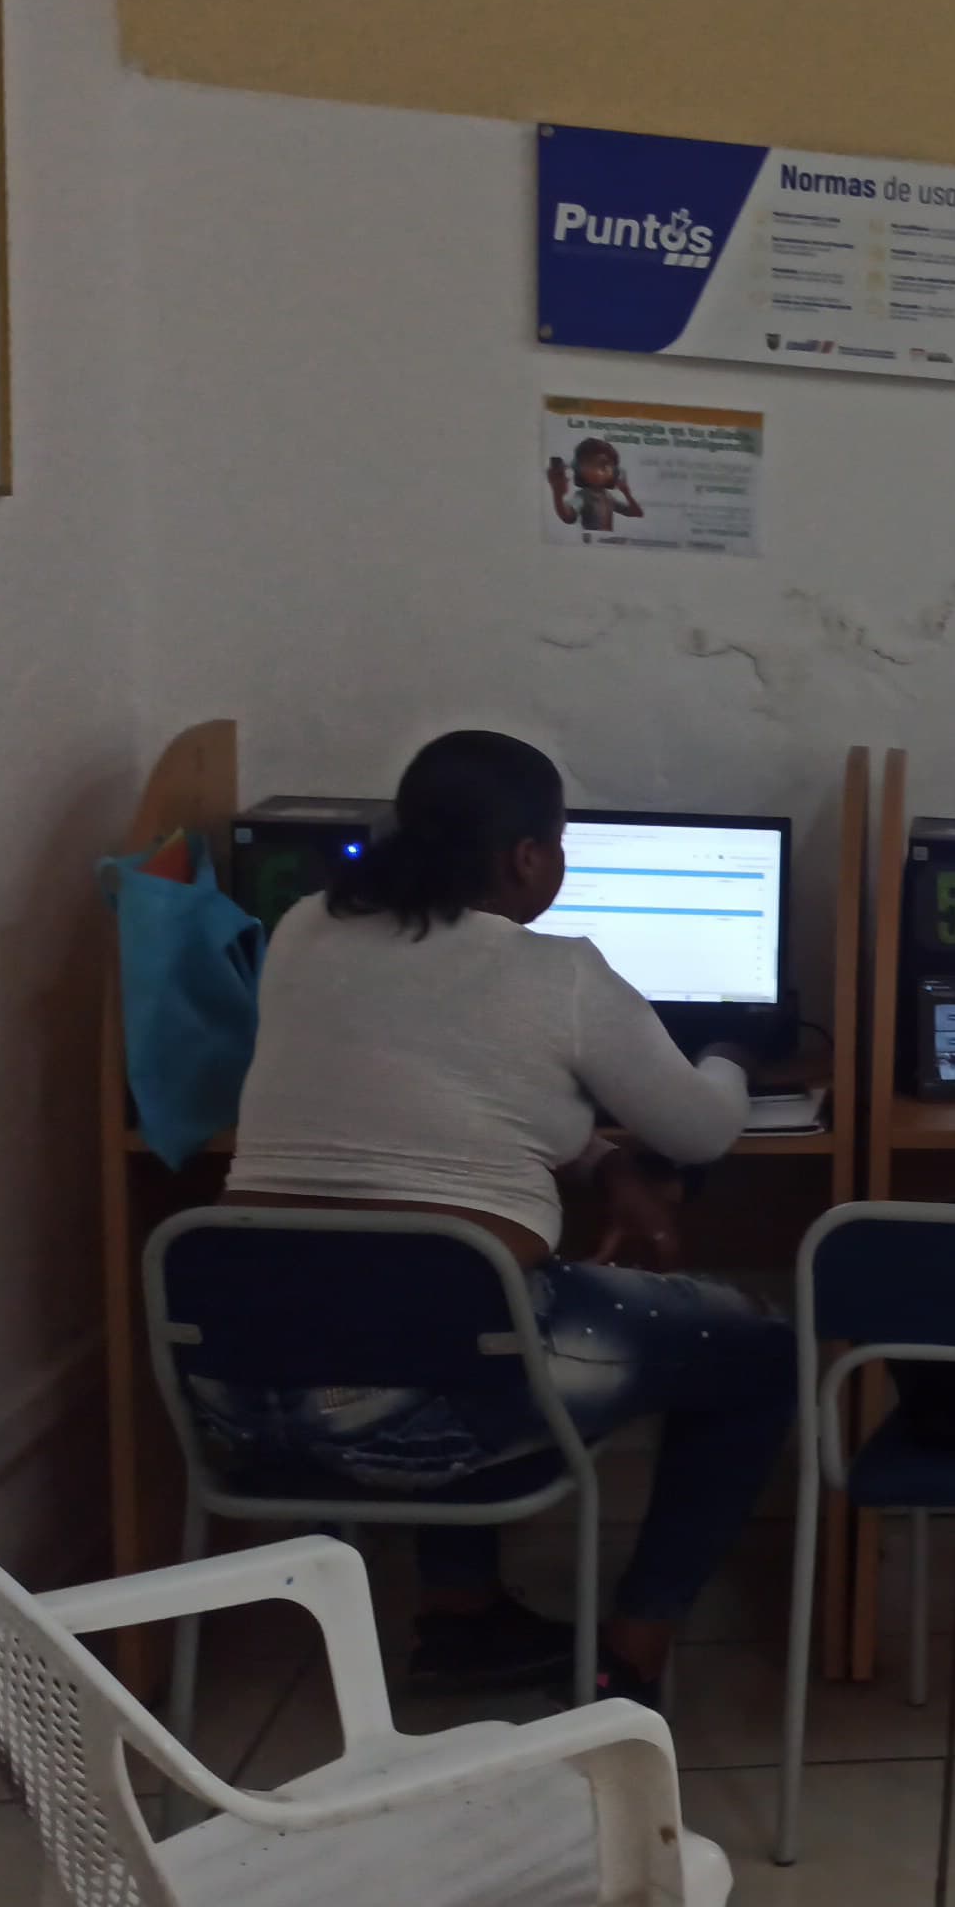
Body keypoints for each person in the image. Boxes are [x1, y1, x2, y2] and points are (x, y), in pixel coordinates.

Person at [214, 730, 790, 1705]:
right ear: (527, 857)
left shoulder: (307, 927)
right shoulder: (559, 975)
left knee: (446, 1303)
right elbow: (701, 1131)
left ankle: (464, 1617)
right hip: (431, 1413)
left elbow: (442, 1103)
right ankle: (636, 1649)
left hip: (242, 1400)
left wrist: (602, 1161)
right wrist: (734, 1051)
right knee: (757, 1349)